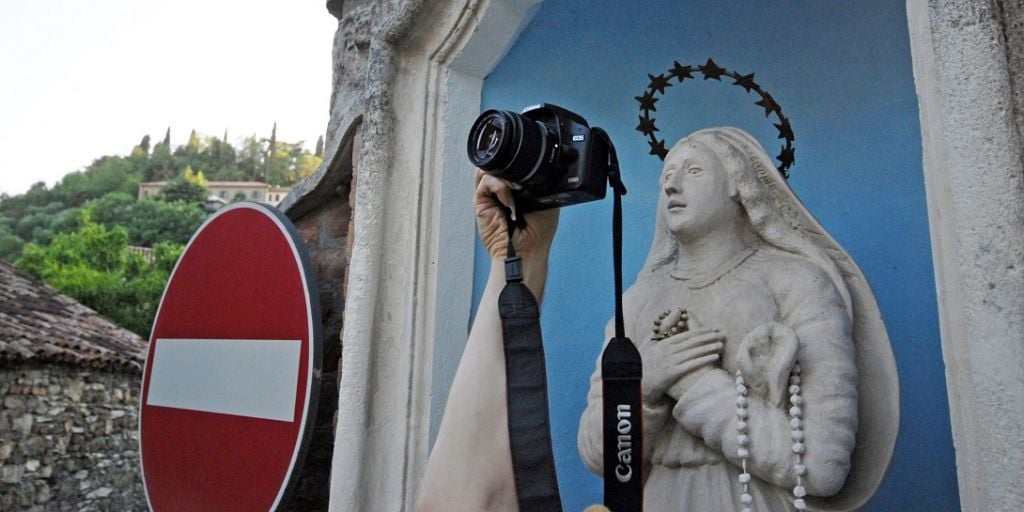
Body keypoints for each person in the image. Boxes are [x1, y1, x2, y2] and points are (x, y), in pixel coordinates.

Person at [419, 126, 895, 512]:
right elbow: (596, 454)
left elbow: (821, 465)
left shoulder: (797, 282)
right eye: (668, 173)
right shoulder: (640, 301)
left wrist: (692, 384)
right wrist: (643, 388)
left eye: (693, 170)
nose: (671, 183)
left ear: (737, 185)